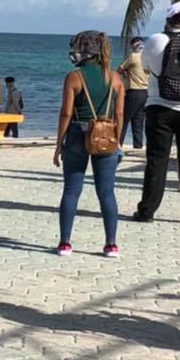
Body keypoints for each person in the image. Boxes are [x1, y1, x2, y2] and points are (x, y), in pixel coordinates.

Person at [131, 2, 180, 224]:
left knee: (156, 161)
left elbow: (145, 68)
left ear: (168, 20)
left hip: (159, 107)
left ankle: (147, 211)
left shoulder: (154, 40)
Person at [53, 31, 126, 257]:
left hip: (78, 134)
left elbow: (66, 113)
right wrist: (118, 142)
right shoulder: (115, 78)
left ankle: (65, 243)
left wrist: (59, 144)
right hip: (107, 135)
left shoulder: (74, 77)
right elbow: (120, 114)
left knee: (71, 190)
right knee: (107, 193)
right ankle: (111, 244)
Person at [117, 36, 149, 150]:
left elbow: (119, 70)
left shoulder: (133, 56)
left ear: (132, 46)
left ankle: (118, 144)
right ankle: (138, 146)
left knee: (124, 119)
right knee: (138, 121)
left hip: (134, 92)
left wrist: (125, 72)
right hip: (145, 92)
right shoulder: (148, 58)